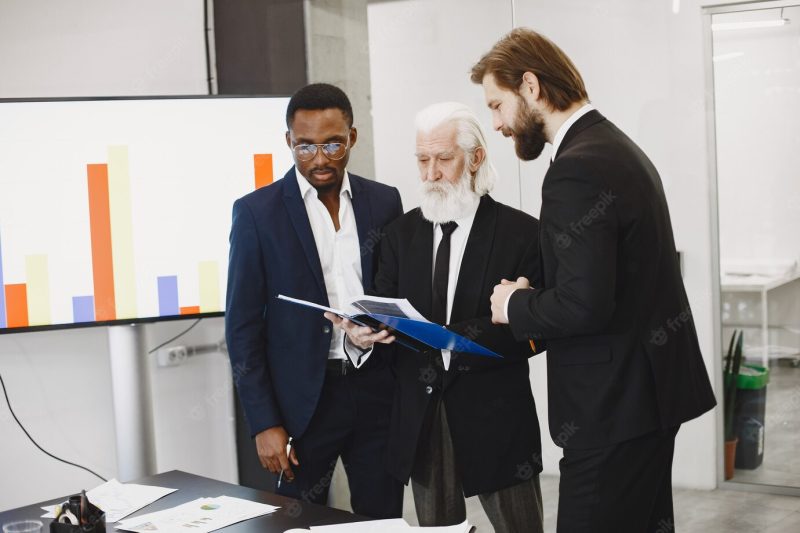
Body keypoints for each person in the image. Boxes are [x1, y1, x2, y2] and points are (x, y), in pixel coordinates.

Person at [471, 28, 717, 532]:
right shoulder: (615, 146)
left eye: (497, 106)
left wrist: (515, 304)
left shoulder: (574, 171)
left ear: (531, 87)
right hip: (646, 399)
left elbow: (584, 304)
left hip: (610, 411)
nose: (495, 124)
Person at [328, 102, 544, 533]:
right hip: (420, 417)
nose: (430, 174)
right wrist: (360, 334)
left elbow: (535, 329)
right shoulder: (399, 234)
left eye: (444, 159)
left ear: (476, 158)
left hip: (497, 418)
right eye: (422, 160)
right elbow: (383, 309)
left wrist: (447, 338)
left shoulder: (523, 233)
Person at [225, 83, 404, 518]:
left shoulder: (384, 201)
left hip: (377, 391)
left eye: (332, 144)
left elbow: (397, 293)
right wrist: (265, 423)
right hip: (301, 405)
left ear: (352, 138)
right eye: (304, 146)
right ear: (288, 141)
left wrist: (385, 327)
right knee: (297, 522)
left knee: (381, 521)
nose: (319, 158)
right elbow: (242, 327)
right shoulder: (256, 213)